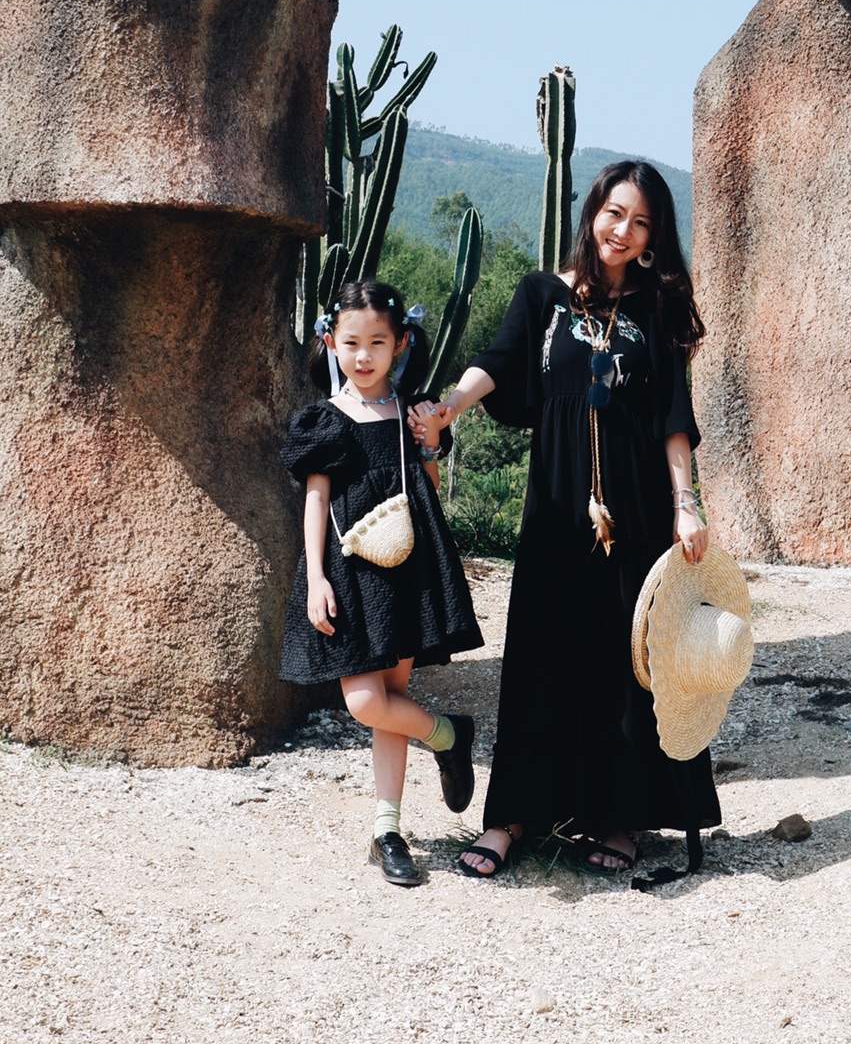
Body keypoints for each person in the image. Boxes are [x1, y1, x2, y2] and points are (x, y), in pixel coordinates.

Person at [416, 161, 719, 878]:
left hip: (636, 507)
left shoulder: (655, 307)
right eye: (615, 213)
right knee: (540, 651)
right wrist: (449, 408)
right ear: (592, 212)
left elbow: (673, 416)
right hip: (556, 505)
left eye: (641, 222)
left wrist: (687, 504)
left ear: (653, 237)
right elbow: (497, 363)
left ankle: (619, 816)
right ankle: (512, 817)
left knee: (627, 661)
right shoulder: (542, 294)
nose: (623, 231)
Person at [279, 279, 484, 886]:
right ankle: (448, 736)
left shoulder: (412, 414)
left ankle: (387, 830)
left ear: (400, 344)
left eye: (377, 342)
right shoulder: (324, 421)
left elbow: (428, 489)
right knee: (366, 702)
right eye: (351, 342)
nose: (363, 355)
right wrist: (316, 578)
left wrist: (431, 442)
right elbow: (316, 502)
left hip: (405, 568)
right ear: (331, 343)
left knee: (390, 700)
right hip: (347, 571)